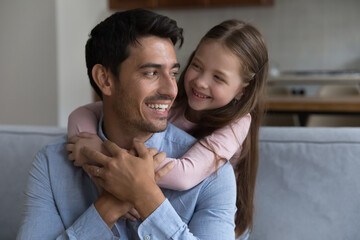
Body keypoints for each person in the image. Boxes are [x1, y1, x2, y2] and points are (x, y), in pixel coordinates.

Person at [17, 9, 238, 239]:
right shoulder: (51, 166)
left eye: (173, 73)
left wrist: (145, 196)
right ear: (104, 79)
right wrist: (109, 206)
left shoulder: (214, 175)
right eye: (151, 73)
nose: (171, 90)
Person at [66, 18, 269, 238]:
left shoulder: (236, 125)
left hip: (216, 220)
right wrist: (90, 147)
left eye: (218, 77)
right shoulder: (172, 101)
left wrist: (108, 155)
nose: (200, 82)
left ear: (242, 91)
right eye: (197, 66)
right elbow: (82, 113)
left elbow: (185, 175)